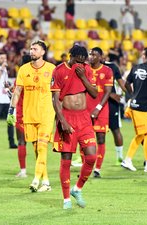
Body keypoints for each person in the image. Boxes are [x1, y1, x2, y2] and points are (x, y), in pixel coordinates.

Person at [51, 45, 98, 209]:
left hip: (84, 118)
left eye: (83, 61)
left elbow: (94, 93)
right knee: (66, 160)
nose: (81, 64)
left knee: (91, 157)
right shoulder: (58, 71)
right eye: (78, 61)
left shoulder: (86, 69)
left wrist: (83, 76)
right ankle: (66, 199)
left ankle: (77, 189)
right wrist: (62, 120)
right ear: (71, 57)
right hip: (68, 118)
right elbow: (55, 99)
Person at [7, 40, 55, 192]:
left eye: (35, 49)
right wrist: (11, 110)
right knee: (36, 149)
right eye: (31, 49)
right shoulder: (23, 69)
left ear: (43, 52)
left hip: (46, 114)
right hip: (29, 115)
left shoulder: (52, 69)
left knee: (41, 146)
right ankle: (46, 182)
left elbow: (58, 93)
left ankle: (35, 180)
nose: (31, 51)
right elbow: (17, 92)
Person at [121, 47, 147, 172]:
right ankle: (127, 160)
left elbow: (126, 84)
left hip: (141, 106)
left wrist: (133, 94)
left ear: (145, 57)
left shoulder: (135, 68)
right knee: (142, 134)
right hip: (142, 108)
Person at [86, 47, 113, 178]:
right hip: (85, 109)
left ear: (101, 57)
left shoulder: (107, 71)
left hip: (101, 109)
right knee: (84, 139)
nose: (91, 57)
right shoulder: (84, 69)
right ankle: (86, 167)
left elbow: (108, 92)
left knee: (100, 138)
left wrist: (98, 107)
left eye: (94, 55)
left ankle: (97, 169)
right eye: (90, 54)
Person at [105, 56, 126, 165]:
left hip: (112, 104)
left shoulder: (112, 67)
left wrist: (130, 94)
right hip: (95, 103)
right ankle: (82, 157)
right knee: (87, 131)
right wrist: (110, 94)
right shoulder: (88, 67)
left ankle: (120, 157)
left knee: (115, 129)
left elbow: (122, 83)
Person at [14, 54, 32, 178]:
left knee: (21, 142)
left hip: (21, 113)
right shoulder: (36, 76)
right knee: (37, 143)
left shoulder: (20, 76)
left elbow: (16, 95)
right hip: (34, 113)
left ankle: (23, 171)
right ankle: (40, 170)